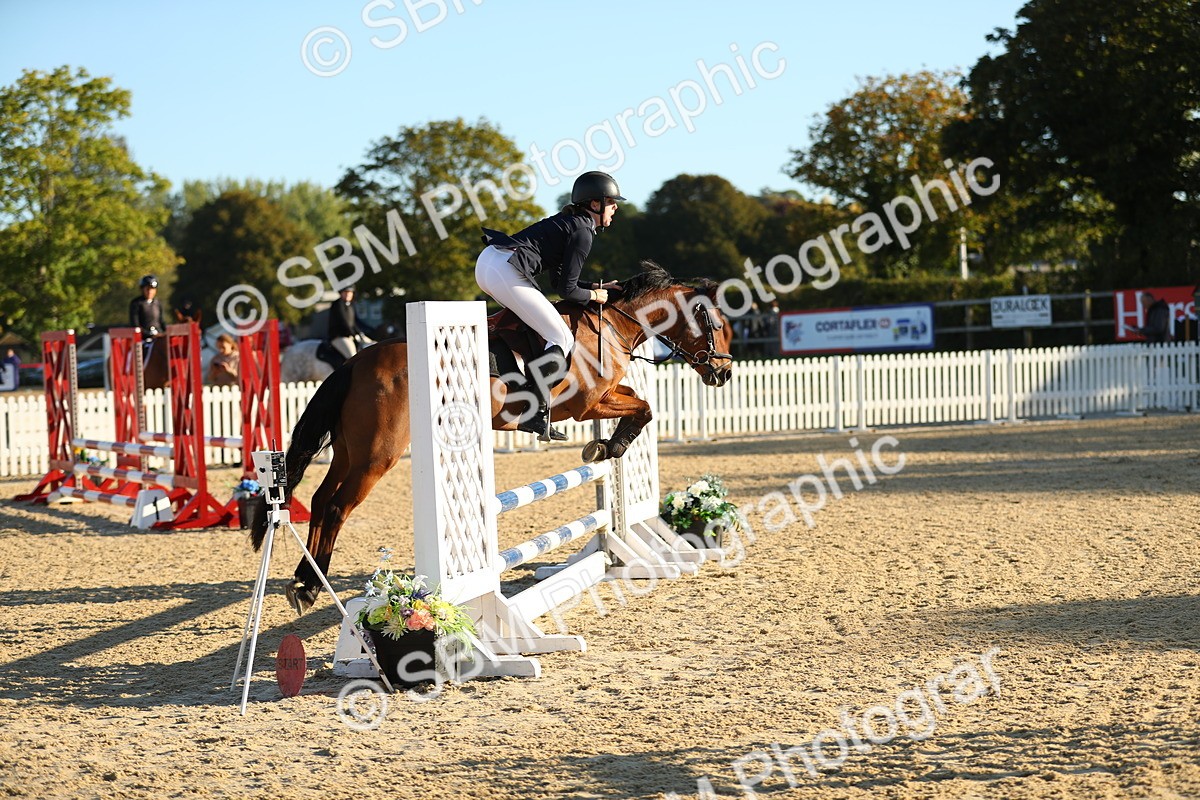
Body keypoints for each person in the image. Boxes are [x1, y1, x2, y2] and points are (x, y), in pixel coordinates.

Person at [476, 170, 624, 441]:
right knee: (561, 337)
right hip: (504, 269)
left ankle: (517, 385)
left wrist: (594, 288)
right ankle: (534, 412)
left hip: (490, 263)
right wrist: (594, 298)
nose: (615, 208)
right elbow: (567, 290)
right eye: (612, 203)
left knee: (538, 326)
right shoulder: (583, 231)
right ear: (595, 204)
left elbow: (561, 281)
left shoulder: (572, 222)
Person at [326, 285, 373, 367]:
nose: (348, 295)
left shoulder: (351, 305)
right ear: (341, 293)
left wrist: (360, 333)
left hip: (350, 335)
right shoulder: (337, 304)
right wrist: (353, 334)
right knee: (352, 356)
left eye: (350, 293)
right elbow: (343, 322)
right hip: (339, 336)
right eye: (346, 293)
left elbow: (354, 323)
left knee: (372, 344)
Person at [129, 274, 165, 363]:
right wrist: (148, 334)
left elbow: (161, 321)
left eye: (152, 289)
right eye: (147, 289)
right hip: (143, 339)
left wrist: (165, 333)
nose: (150, 292)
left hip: (158, 336)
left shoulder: (158, 303)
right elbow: (135, 324)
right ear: (142, 289)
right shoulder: (136, 303)